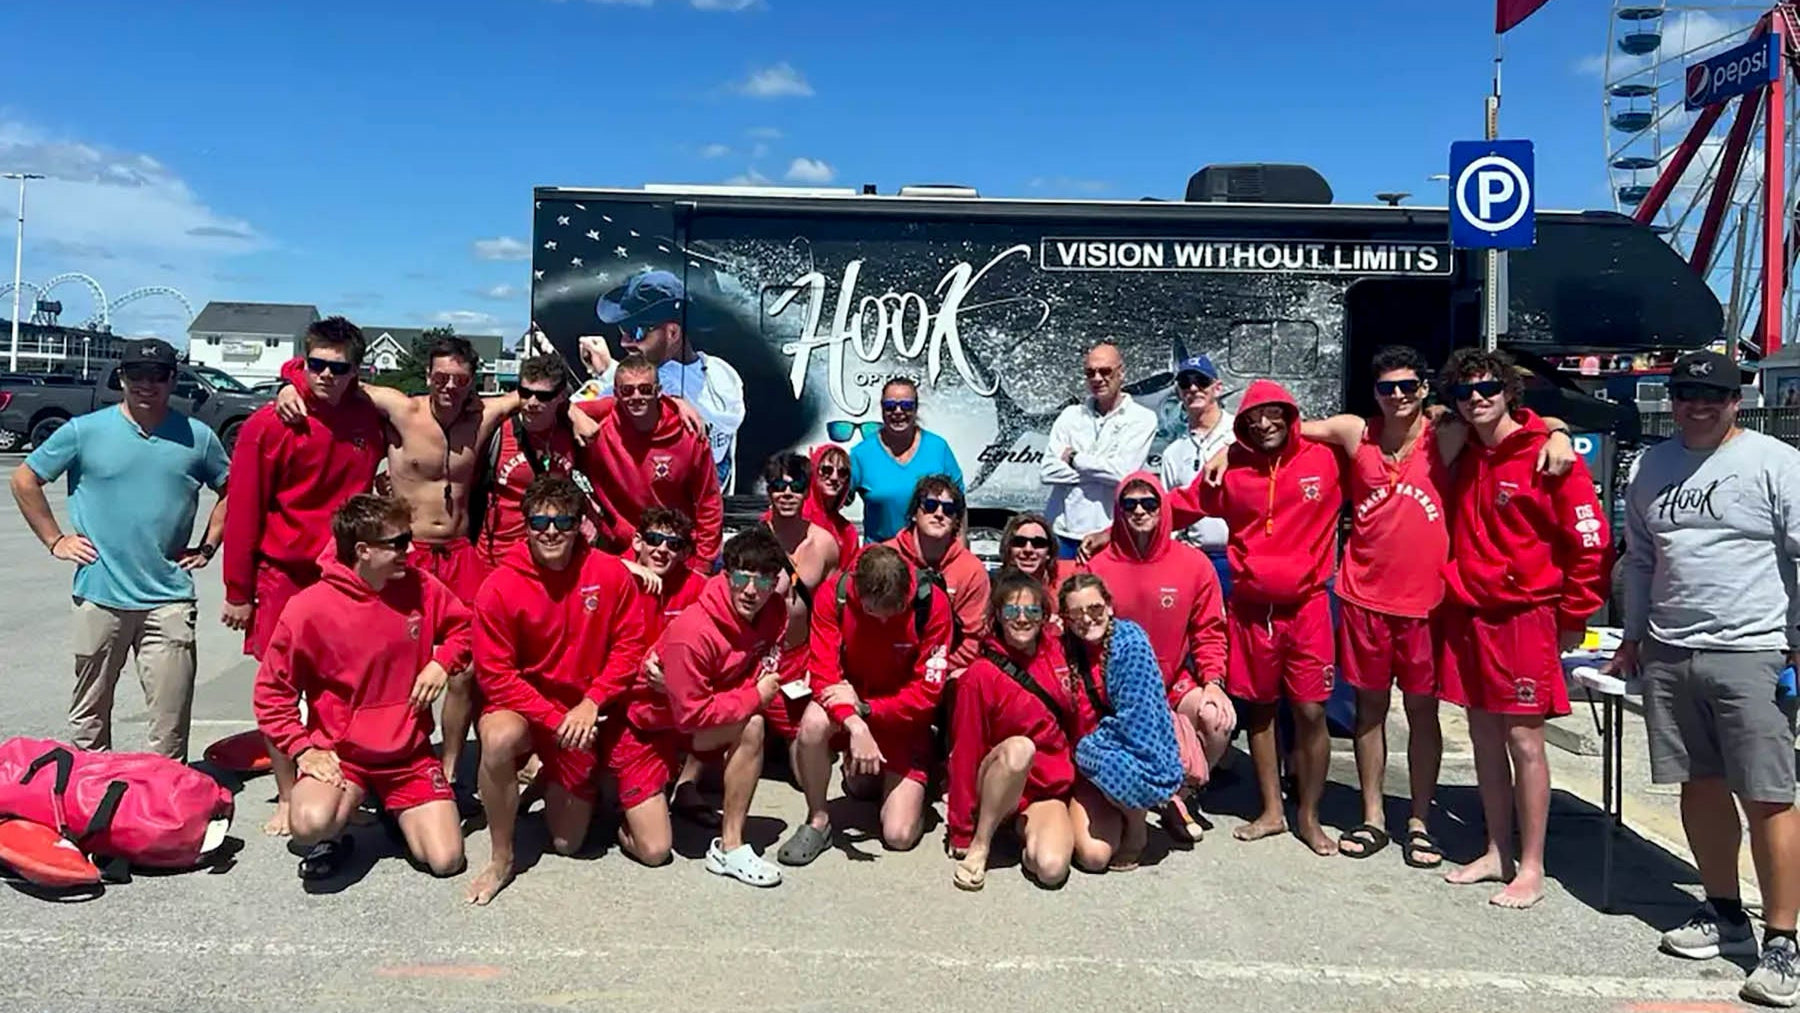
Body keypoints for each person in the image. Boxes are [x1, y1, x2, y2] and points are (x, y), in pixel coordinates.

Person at [1288, 345, 1574, 864]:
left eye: (1407, 386)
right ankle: (1373, 817)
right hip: (1363, 596)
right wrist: (1222, 453)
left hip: (1428, 602)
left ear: (1423, 388)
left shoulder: (1446, 431)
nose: (1397, 395)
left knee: (1423, 712)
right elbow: (1281, 429)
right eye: (1386, 388)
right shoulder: (1357, 432)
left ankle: (1419, 819)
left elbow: (1522, 421)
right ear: (1375, 392)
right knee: (1369, 711)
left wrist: (1559, 433)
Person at [1603, 350, 1800, 1003]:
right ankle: (1724, 913)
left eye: (1713, 396)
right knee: (1700, 784)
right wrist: (1632, 637)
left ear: (1735, 401)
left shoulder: (1775, 463)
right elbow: (1640, 558)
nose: (1698, 406)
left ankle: (1783, 941)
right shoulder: (1651, 466)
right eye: (1687, 394)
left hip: (1754, 651)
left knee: (1768, 794)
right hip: (1669, 650)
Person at [275, 334, 519, 798]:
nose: (450, 386)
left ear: (473, 380)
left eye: (460, 379)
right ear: (428, 375)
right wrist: (289, 382)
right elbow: (336, 377)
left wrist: (576, 413)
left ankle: (449, 770)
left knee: (467, 667)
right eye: (441, 377)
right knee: (389, 658)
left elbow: (538, 393)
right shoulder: (401, 409)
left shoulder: (484, 415)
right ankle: (382, 757)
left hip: (461, 553)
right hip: (409, 551)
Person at [1436, 348, 1609, 909]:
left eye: (1488, 388)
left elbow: (1590, 542)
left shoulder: (1549, 455)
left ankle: (1532, 865)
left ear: (1510, 391)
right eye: (1465, 392)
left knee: (1524, 740)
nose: (1477, 399)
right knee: (1484, 737)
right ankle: (1497, 850)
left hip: (1526, 614)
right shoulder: (1464, 452)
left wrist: (1575, 615)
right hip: (1471, 613)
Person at [11, 337, 230, 761]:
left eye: (158, 375)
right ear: (121, 378)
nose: (147, 384)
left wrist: (208, 545)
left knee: (170, 720)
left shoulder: (198, 438)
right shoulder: (84, 431)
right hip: (99, 594)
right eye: (136, 375)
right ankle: (94, 786)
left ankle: (164, 793)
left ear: (173, 380)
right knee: (89, 715)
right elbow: (25, 479)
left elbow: (232, 489)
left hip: (168, 598)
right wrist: (56, 540)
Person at [1164, 380, 1342, 856]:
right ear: (1241, 424)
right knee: (1260, 710)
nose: (1264, 424)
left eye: (1274, 413)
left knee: (1311, 711)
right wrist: (1115, 526)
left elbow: (1361, 431)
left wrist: (1550, 428)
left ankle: (1309, 816)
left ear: (1291, 415)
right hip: (1251, 610)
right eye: (1253, 418)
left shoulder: (1326, 460)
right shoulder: (1233, 471)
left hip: (1307, 607)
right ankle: (1272, 812)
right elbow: (1182, 505)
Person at [221, 317, 384, 835]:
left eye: (340, 368)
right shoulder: (268, 424)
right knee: (281, 687)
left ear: (357, 370)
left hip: (346, 573)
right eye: (316, 365)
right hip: (282, 575)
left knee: (347, 685)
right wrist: (238, 591)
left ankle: (347, 780)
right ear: (303, 362)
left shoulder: (369, 416)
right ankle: (289, 793)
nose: (327, 376)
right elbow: (243, 510)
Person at [252, 494, 471, 881]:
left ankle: (394, 810)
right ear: (363, 551)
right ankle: (337, 834)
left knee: (446, 861)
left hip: (409, 756)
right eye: (398, 543)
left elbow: (468, 627)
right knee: (309, 824)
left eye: (408, 539)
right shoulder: (308, 608)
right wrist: (303, 749)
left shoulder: (421, 586)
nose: (410, 550)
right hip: (344, 756)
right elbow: (271, 694)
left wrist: (442, 663)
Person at [467, 475, 648, 905]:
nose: (551, 531)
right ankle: (501, 857)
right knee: (497, 738)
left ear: (580, 525)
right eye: (540, 522)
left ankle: (554, 778)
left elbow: (630, 647)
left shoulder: (609, 573)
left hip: (584, 714)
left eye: (563, 521)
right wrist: (555, 719)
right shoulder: (499, 586)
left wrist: (592, 701)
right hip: (529, 712)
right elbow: (495, 675)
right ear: (525, 525)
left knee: (568, 844)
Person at [610, 528, 790, 886]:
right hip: (649, 727)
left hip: (691, 722)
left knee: (752, 725)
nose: (751, 591)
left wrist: (714, 692)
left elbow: (762, 672)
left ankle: (730, 847)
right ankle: (616, 809)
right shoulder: (694, 632)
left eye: (762, 581)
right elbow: (694, 714)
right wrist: (752, 696)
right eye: (741, 578)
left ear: (775, 583)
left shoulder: (776, 612)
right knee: (654, 851)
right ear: (726, 575)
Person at [776, 545, 954, 867]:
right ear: (858, 592)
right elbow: (824, 675)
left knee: (899, 836)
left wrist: (868, 709)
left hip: (904, 720)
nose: (884, 619)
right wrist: (856, 723)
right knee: (813, 724)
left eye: (894, 611)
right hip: (848, 707)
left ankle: (914, 776)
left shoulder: (931, 603)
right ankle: (818, 819)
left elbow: (927, 693)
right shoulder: (835, 595)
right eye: (874, 612)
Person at [1085, 472, 1231, 841]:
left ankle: (1180, 793)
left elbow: (1209, 631)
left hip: (1173, 683)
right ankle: (1145, 792)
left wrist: (1213, 683)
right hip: (1117, 689)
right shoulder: (1097, 566)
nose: (1139, 511)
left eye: (1149, 503)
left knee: (1216, 719)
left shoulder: (1194, 564)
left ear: (1163, 507)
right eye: (1129, 504)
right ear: (1118, 510)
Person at [946, 570, 1078, 891]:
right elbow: (965, 750)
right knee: (1021, 749)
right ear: (998, 616)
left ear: (1044, 616)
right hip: (999, 778)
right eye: (1011, 611)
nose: (1022, 618)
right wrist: (960, 829)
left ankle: (1022, 832)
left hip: (1043, 789)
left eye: (1032, 610)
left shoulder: (1058, 653)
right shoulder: (980, 675)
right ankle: (982, 842)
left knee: (1050, 869)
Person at [575, 269, 747, 491]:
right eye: (622, 330)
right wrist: (610, 370)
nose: (624, 342)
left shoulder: (655, 386)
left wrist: (605, 375)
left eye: (636, 332)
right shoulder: (723, 373)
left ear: (673, 333)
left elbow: (564, 411)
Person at [1059, 572, 1184, 872]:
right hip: (1083, 760)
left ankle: (1136, 821)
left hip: (1123, 755)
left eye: (1095, 608)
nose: (1086, 619)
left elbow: (1137, 727)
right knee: (1093, 856)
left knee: (1094, 857)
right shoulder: (1065, 645)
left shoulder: (1130, 646)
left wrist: (1085, 747)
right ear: (1066, 618)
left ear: (1109, 606)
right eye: (1076, 613)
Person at [576, 352, 724, 572]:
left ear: (658, 391)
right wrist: (571, 412)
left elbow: (709, 503)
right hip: (620, 553)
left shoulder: (689, 434)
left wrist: (703, 564)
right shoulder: (601, 424)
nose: (636, 397)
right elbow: (552, 406)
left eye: (645, 389)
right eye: (627, 391)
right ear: (616, 393)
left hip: (674, 554)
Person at [1041, 342, 1158, 559]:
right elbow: (1047, 471)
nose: (1097, 378)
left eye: (1105, 371)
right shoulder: (1070, 415)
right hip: (1062, 534)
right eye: (1090, 373)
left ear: (1121, 373)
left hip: (1109, 535)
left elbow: (1123, 473)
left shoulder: (1142, 418)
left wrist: (1075, 459)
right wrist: (1101, 470)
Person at [757, 453, 842, 747]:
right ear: (769, 491)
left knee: (803, 745)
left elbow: (831, 615)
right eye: (778, 486)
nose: (787, 493)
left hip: (800, 657)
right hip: (758, 658)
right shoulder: (754, 540)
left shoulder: (825, 544)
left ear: (807, 491)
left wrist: (819, 665)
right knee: (748, 731)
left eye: (796, 486)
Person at [470, 355, 582, 569]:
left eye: (543, 396)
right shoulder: (498, 432)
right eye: (525, 393)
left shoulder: (570, 433)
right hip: (498, 557)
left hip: (553, 556)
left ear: (560, 397)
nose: (532, 403)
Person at [885, 475, 991, 675]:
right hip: (884, 665)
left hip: (942, 670)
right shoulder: (884, 556)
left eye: (949, 509)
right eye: (930, 505)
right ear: (914, 513)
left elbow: (973, 639)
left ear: (956, 521)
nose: (939, 514)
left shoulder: (971, 570)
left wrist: (931, 669)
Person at [848, 377, 964, 543]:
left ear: (916, 408)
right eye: (890, 406)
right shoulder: (862, 454)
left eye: (906, 405)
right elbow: (837, 500)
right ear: (882, 408)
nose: (898, 411)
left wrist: (961, 548)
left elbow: (960, 504)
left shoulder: (938, 448)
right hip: (881, 555)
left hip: (932, 553)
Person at [1157, 354, 1235, 592]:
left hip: (1238, 556)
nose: (1193, 388)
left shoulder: (1240, 435)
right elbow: (1168, 511)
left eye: (1201, 381)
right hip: (1195, 559)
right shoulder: (1173, 452)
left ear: (1217, 388)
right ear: (1179, 393)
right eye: (1185, 383)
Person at [998, 512, 1077, 606]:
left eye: (1038, 543)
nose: (1028, 549)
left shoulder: (1072, 574)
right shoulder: (997, 587)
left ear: (1049, 552)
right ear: (1008, 549)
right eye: (1019, 542)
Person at [803, 443, 860, 568]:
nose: (834, 477)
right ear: (814, 471)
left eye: (842, 472)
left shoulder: (848, 531)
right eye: (826, 470)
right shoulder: (797, 517)